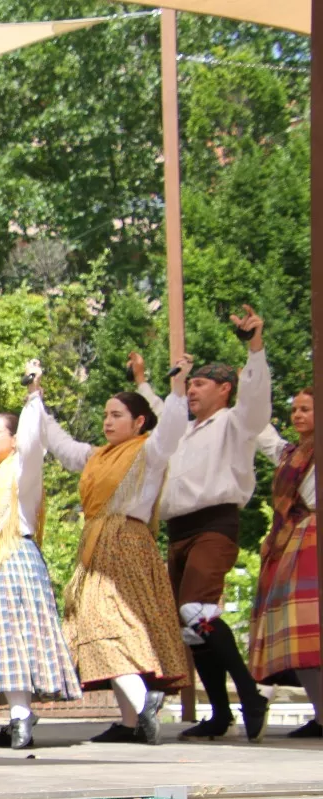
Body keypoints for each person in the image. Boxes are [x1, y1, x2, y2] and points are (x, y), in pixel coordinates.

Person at [129, 308, 273, 741]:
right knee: (189, 627)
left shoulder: (237, 423)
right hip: (180, 531)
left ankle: (250, 694)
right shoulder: (186, 432)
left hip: (215, 524)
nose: (190, 390)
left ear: (224, 389)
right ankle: (220, 713)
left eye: (199, 384)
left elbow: (256, 399)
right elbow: (160, 410)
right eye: (189, 384)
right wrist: (142, 381)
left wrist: (254, 346)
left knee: (198, 610)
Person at [35, 355, 191, 743]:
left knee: (108, 627)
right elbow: (57, 443)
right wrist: (35, 397)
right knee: (103, 629)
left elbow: (171, 430)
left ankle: (142, 706)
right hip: (96, 549)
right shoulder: (95, 456)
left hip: (125, 547)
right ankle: (132, 722)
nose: (107, 421)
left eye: (117, 414)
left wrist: (177, 389)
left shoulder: (148, 452)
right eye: (106, 414)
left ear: (139, 422)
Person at [0, 365, 82, 750]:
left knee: (14, 636)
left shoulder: (21, 472)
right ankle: (15, 719)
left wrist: (33, 397)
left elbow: (32, 441)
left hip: (14, 556)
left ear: (13, 438)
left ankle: (20, 718)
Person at [251, 388, 319, 736]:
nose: (298, 415)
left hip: (312, 537)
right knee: (299, 636)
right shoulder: (291, 454)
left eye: (306, 409)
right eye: (295, 409)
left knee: (313, 633)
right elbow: (263, 434)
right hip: (296, 540)